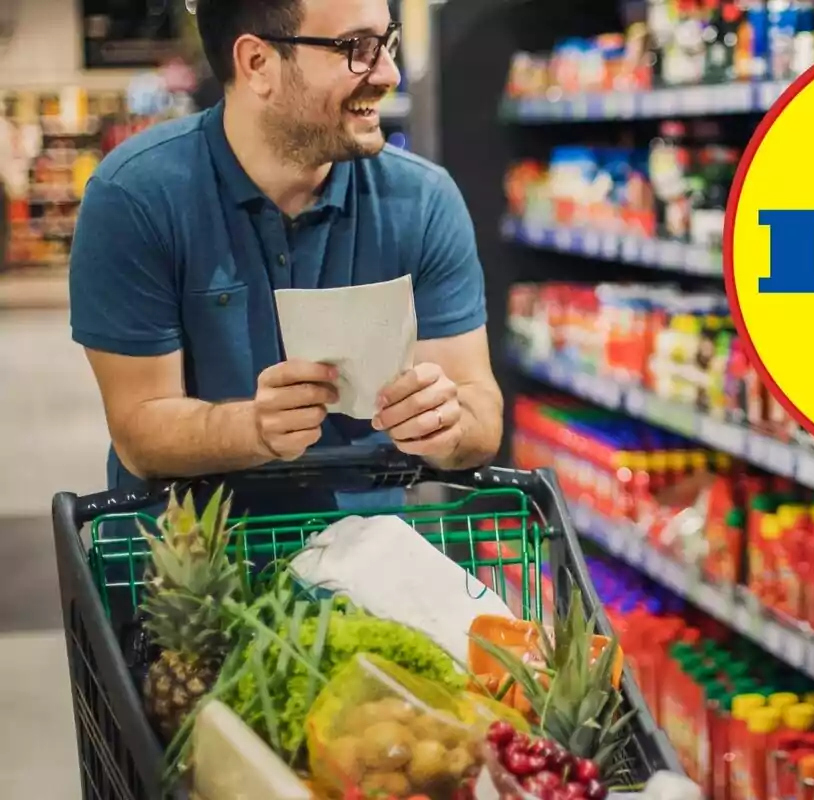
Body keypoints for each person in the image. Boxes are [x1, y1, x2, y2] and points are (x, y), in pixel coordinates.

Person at [68, 0, 502, 510]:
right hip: (185, 563)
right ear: (258, 64)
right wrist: (253, 428)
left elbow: (480, 410)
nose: (389, 72)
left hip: (369, 565)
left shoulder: (424, 200)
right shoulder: (137, 197)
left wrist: (448, 427)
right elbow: (139, 429)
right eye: (357, 48)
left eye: (387, 43)